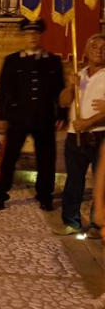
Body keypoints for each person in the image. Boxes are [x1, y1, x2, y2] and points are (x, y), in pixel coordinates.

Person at [0, 18, 63, 211]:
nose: (32, 37)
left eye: (35, 33)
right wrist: (1, 116)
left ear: (41, 36)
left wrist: (62, 114)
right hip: (18, 117)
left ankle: (45, 196)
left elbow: (60, 90)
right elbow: (4, 90)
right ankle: (0, 193)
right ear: (23, 36)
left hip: (44, 117)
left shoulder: (52, 61)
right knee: (9, 158)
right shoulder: (13, 60)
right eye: (28, 33)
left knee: (46, 159)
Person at [52, 33, 105, 236]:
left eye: (103, 48)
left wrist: (88, 122)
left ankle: (97, 223)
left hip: (100, 135)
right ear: (85, 51)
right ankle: (71, 221)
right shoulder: (79, 75)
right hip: (75, 136)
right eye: (94, 46)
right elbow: (64, 101)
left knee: (101, 181)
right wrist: (70, 86)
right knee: (74, 180)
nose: (99, 50)